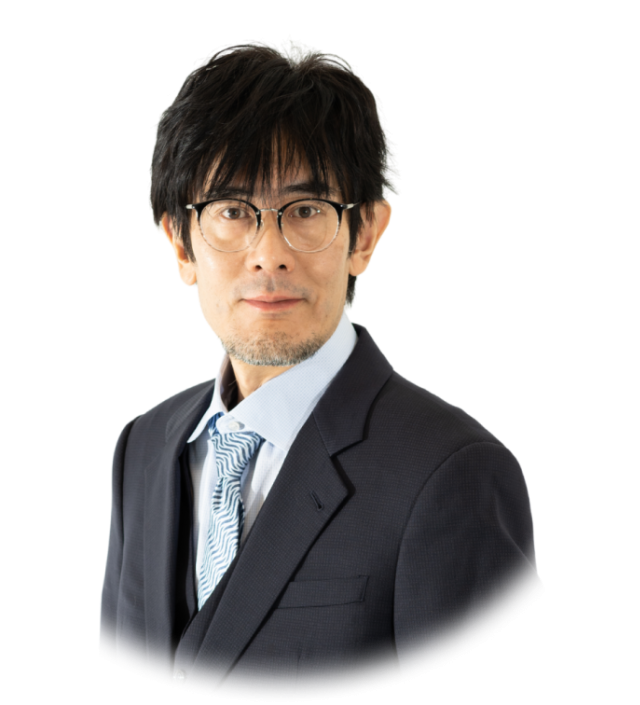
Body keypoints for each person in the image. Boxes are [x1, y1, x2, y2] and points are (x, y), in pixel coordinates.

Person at [99, 37, 543, 701]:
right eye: (231, 211)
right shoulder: (141, 446)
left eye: (306, 210)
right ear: (179, 244)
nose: (268, 253)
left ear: (365, 234)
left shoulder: (454, 473)